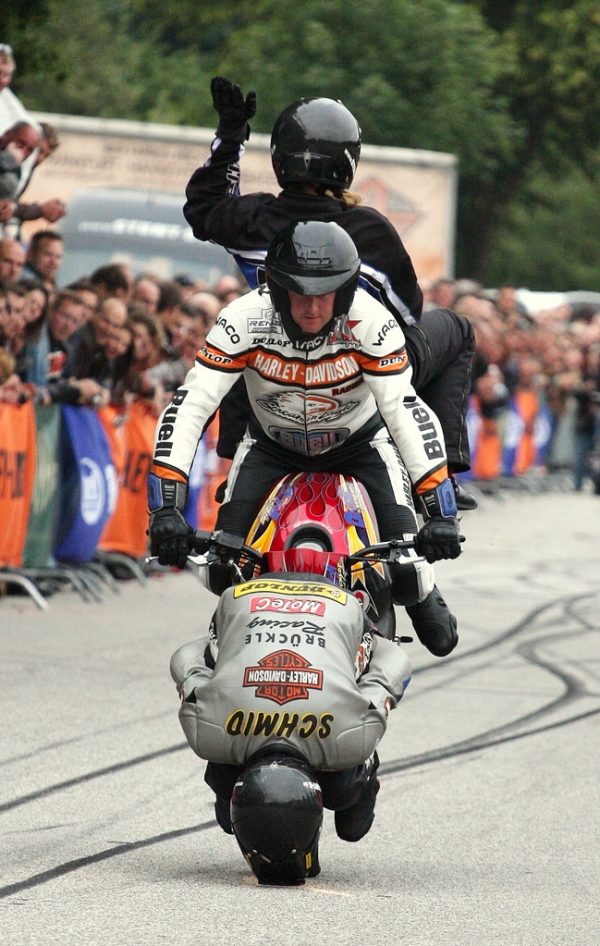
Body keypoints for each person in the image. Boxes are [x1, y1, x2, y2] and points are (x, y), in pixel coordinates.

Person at [149, 221, 463, 656]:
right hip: (270, 447)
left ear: (347, 291)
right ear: (278, 290)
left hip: (361, 445)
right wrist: (166, 506)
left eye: (325, 294)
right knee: (222, 572)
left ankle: (424, 597)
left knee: (410, 578)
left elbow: (404, 410)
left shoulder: (372, 322)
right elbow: (191, 404)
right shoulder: (242, 319)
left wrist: (439, 512)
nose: (312, 308)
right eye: (300, 293)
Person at [183, 77, 476, 510]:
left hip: (273, 370)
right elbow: (407, 312)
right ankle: (439, 471)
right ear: (348, 162)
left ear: (280, 157)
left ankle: (235, 469)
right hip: (361, 371)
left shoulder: (253, 219)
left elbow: (203, 207)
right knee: (457, 328)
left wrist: (230, 137)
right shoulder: (371, 230)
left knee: (243, 334)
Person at [170, 566, 412, 883]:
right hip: (265, 600)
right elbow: (187, 657)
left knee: (345, 800)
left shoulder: (351, 739)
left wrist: (376, 693)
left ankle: (365, 771)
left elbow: (393, 658)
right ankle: (227, 779)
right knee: (348, 813)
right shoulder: (208, 733)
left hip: (315, 602)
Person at [22, 229, 63, 294]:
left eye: (58, 257)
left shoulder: (51, 285)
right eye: (48, 255)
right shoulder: (23, 282)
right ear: (30, 255)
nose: (53, 262)